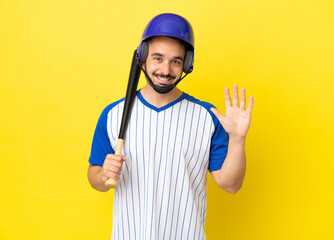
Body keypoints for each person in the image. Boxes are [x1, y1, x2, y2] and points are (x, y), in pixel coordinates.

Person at [87, 13, 254, 240]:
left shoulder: (207, 116)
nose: (166, 70)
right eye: (158, 58)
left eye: (176, 61)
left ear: (186, 64)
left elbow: (230, 185)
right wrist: (102, 174)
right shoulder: (113, 114)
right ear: (143, 58)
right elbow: (94, 177)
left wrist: (238, 139)